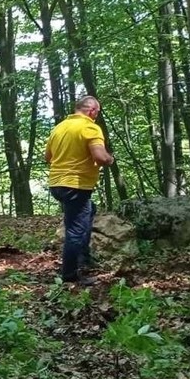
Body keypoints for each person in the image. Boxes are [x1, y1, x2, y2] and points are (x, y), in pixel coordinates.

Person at [44, 95, 115, 286]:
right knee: (75, 230)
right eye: (97, 113)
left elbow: (48, 157)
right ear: (92, 111)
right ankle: (70, 276)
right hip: (76, 185)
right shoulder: (90, 127)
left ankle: (83, 258)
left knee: (88, 211)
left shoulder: (58, 128)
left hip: (57, 184)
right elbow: (100, 157)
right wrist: (110, 159)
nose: (96, 117)